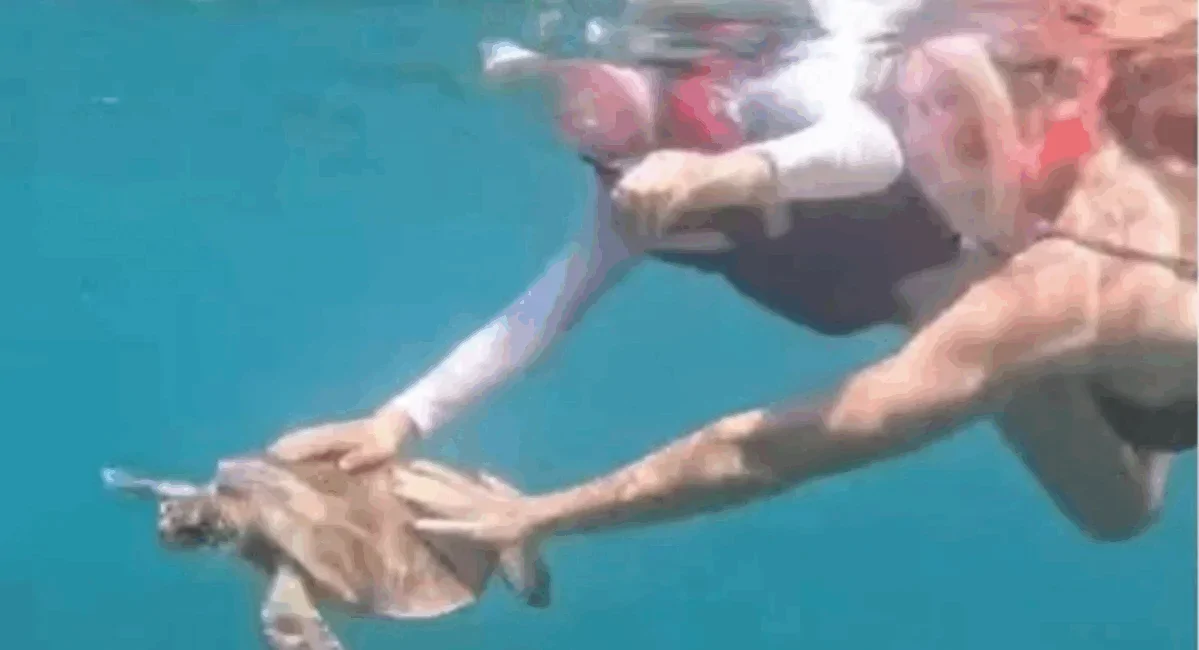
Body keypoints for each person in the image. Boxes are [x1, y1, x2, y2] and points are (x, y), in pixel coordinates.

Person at [274, 2, 1186, 540]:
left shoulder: (779, 99)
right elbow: (543, 307)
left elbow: (864, 148)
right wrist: (400, 418)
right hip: (1019, 312)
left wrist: (727, 174)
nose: (586, 123)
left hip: (1020, 301)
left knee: (1123, 482)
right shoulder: (633, 197)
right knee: (1113, 487)